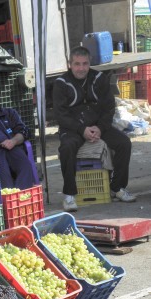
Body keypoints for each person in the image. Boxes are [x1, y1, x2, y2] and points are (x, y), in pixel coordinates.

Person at [53, 45, 136, 212]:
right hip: (73, 129)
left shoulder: (99, 78)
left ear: (89, 63)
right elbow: (61, 115)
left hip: (99, 125)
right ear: (70, 64)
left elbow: (109, 108)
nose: (81, 68)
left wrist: (100, 127)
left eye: (85, 63)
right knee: (67, 148)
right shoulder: (61, 83)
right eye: (77, 64)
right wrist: (81, 129)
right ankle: (69, 195)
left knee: (124, 143)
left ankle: (117, 188)